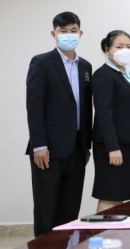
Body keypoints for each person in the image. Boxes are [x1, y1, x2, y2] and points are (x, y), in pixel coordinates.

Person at [26, 12, 93, 237]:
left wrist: (86, 145)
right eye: (63, 31)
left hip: (77, 149)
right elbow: (34, 107)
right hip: (48, 151)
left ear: (80, 33)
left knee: (70, 208)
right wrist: (39, 145)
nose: (68, 35)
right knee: (47, 208)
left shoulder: (86, 66)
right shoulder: (42, 62)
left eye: (73, 30)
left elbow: (85, 108)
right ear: (54, 34)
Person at [92, 30, 130, 212]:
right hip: (112, 146)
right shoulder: (104, 74)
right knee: (109, 194)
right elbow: (104, 114)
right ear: (108, 49)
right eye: (119, 46)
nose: (125, 50)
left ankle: (115, 230)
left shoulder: (126, 73)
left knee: (120, 195)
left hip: (127, 145)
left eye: (128, 47)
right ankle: (103, 230)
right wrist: (112, 148)